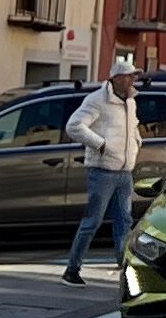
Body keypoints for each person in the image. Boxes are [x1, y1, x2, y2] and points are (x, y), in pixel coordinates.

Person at [59, 60, 143, 284]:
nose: (132, 80)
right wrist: (99, 144)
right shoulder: (97, 100)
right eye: (128, 76)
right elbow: (74, 126)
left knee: (124, 220)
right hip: (102, 171)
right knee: (92, 221)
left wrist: (136, 141)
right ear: (115, 78)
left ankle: (124, 269)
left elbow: (132, 126)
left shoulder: (131, 101)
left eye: (133, 76)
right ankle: (72, 270)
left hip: (125, 170)